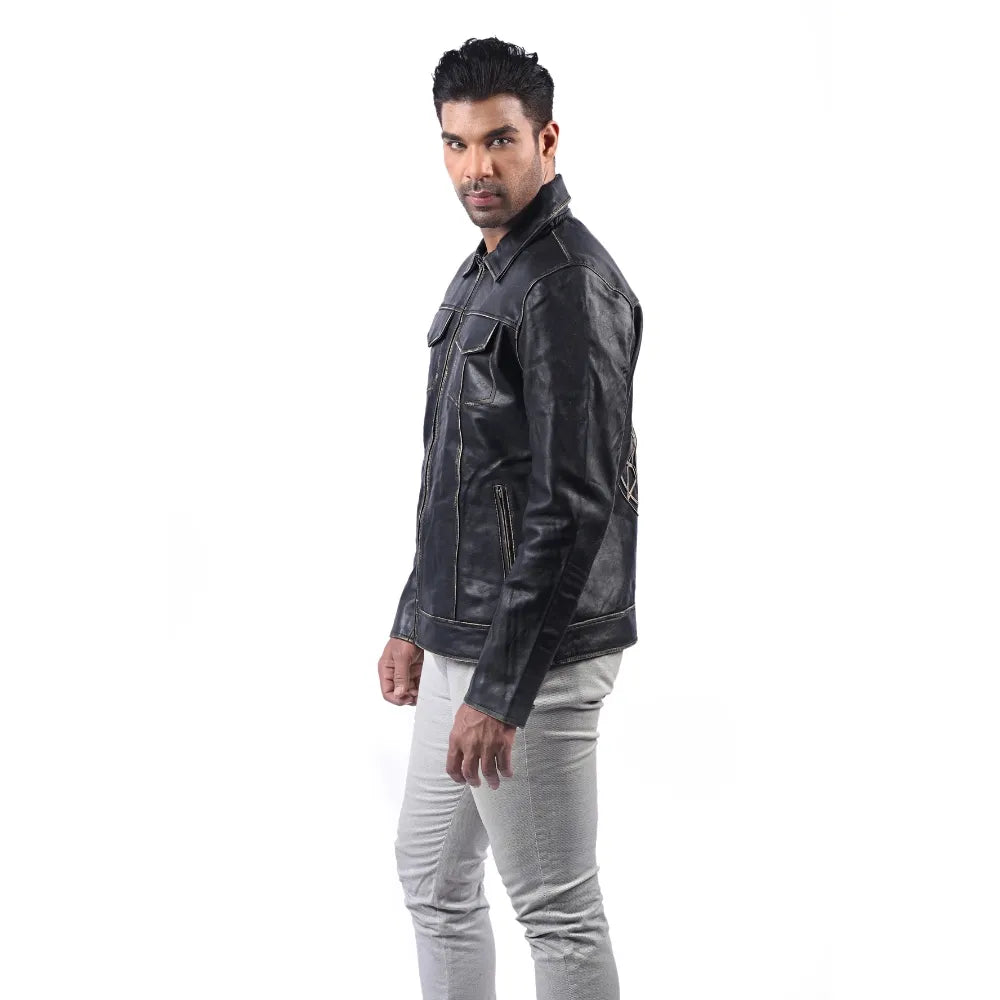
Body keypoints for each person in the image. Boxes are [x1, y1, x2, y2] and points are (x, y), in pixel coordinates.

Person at [378, 36, 643, 1000]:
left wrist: (502, 689)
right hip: (464, 633)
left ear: (547, 140)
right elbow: (457, 474)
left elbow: (571, 505)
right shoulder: (486, 271)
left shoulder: (567, 285)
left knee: (557, 913)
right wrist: (416, 616)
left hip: (537, 653)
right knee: (433, 876)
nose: (476, 168)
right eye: (456, 144)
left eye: (499, 140)